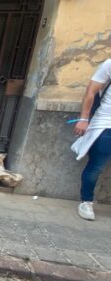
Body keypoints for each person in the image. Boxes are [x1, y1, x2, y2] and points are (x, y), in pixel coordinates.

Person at [71, 58, 111, 221]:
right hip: (106, 123)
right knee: (96, 166)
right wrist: (84, 119)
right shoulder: (109, 64)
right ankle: (86, 201)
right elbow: (91, 91)